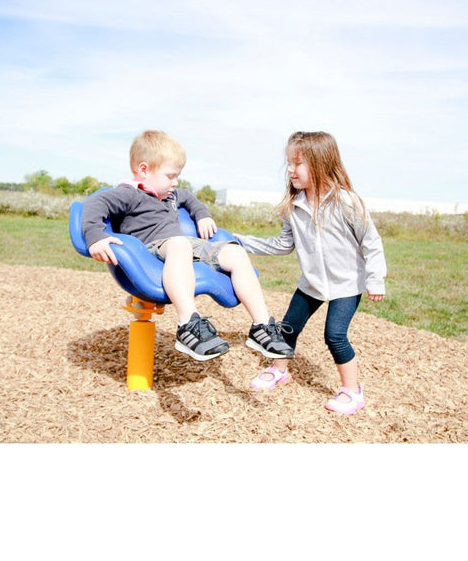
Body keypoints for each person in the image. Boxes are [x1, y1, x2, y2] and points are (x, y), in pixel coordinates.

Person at [82, 130, 293, 363]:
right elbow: (95, 203)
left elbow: (191, 199)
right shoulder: (129, 194)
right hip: (150, 251)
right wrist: (95, 236)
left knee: (235, 251)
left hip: (184, 246)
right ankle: (187, 324)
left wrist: (202, 215)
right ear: (144, 170)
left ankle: (261, 326)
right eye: (170, 176)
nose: (175, 182)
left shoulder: (171, 194)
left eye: (177, 176)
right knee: (180, 245)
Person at [235, 131, 387, 415]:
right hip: (311, 284)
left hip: (347, 285)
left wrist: (375, 279)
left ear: (320, 163)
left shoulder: (346, 202)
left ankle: (352, 391)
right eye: (289, 163)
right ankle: (279, 370)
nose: (290, 170)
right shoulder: (293, 207)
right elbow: (282, 245)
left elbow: (371, 242)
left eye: (298, 163)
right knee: (287, 328)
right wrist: (239, 241)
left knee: (335, 336)